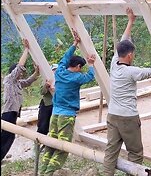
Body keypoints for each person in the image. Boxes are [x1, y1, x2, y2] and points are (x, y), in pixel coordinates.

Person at [103, 8, 151, 176]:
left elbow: (123, 41)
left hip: (112, 115)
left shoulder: (114, 64)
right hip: (127, 118)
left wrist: (131, 21)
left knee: (111, 151)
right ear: (130, 55)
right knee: (135, 153)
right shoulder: (131, 72)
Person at [40, 31, 96, 176]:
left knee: (51, 143)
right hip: (67, 116)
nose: (81, 70)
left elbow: (64, 58)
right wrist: (91, 65)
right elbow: (90, 76)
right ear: (77, 66)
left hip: (55, 114)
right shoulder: (76, 78)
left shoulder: (59, 72)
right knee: (63, 147)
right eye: (81, 67)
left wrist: (74, 44)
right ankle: (49, 173)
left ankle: (42, 171)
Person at [1, 39, 40, 161]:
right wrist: (26, 50)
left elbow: (28, 81)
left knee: (10, 137)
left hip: (13, 113)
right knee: (6, 137)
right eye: (19, 74)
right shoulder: (9, 80)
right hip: (8, 113)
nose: (21, 76)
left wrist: (36, 72)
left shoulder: (17, 83)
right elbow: (19, 68)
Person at [37, 64, 57, 135]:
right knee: (43, 125)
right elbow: (42, 92)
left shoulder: (61, 80)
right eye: (53, 70)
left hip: (56, 105)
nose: (55, 72)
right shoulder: (46, 80)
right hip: (47, 104)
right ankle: (39, 142)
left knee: (54, 125)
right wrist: (46, 86)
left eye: (56, 70)